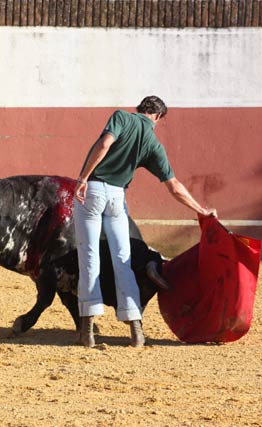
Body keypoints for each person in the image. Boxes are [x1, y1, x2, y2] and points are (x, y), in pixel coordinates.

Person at [73, 95, 217, 348]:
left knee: (89, 255)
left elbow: (105, 143)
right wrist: (201, 210)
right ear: (158, 116)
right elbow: (174, 186)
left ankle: (87, 332)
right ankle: (136, 329)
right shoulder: (153, 143)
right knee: (123, 260)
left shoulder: (122, 117)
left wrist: (83, 178)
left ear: (140, 109)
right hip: (117, 196)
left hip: (93, 190)